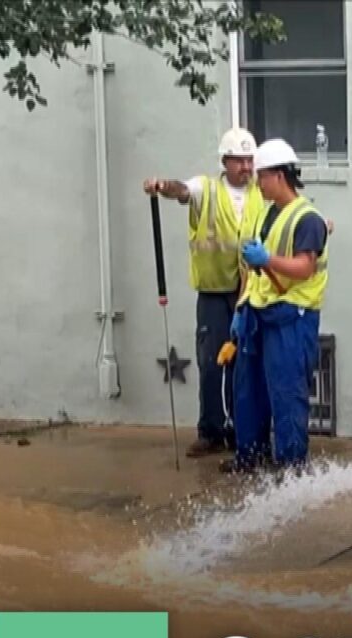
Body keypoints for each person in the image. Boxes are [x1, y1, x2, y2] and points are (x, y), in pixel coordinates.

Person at [143, 127, 263, 459]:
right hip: (213, 293)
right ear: (225, 161)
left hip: (248, 292)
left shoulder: (259, 193)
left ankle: (242, 432)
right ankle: (209, 431)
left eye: (250, 160)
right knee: (211, 363)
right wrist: (163, 186)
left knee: (244, 363)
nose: (247, 167)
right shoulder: (206, 189)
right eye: (240, 161)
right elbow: (182, 191)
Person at [223, 138, 329, 474]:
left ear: (279, 176)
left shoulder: (307, 218)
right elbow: (253, 272)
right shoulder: (266, 214)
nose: (257, 182)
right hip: (259, 313)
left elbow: (304, 267)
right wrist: (241, 309)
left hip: (292, 319)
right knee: (249, 391)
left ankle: (291, 466)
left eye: (262, 176)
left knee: (286, 394)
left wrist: (268, 258)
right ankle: (250, 455)